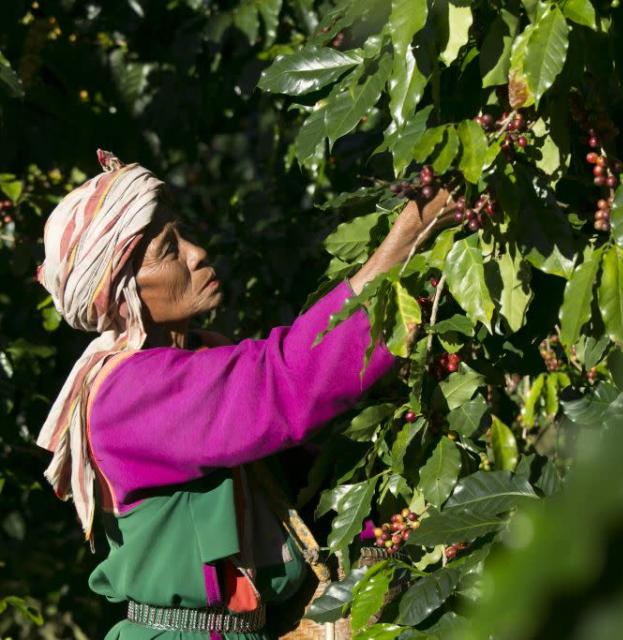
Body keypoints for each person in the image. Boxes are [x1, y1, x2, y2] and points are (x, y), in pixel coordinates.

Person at [35, 149, 451, 639]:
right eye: (170, 249)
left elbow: (302, 476)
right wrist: (408, 234)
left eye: (183, 233)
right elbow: (285, 383)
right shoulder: (127, 396)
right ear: (125, 291)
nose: (197, 252)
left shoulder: (194, 363)